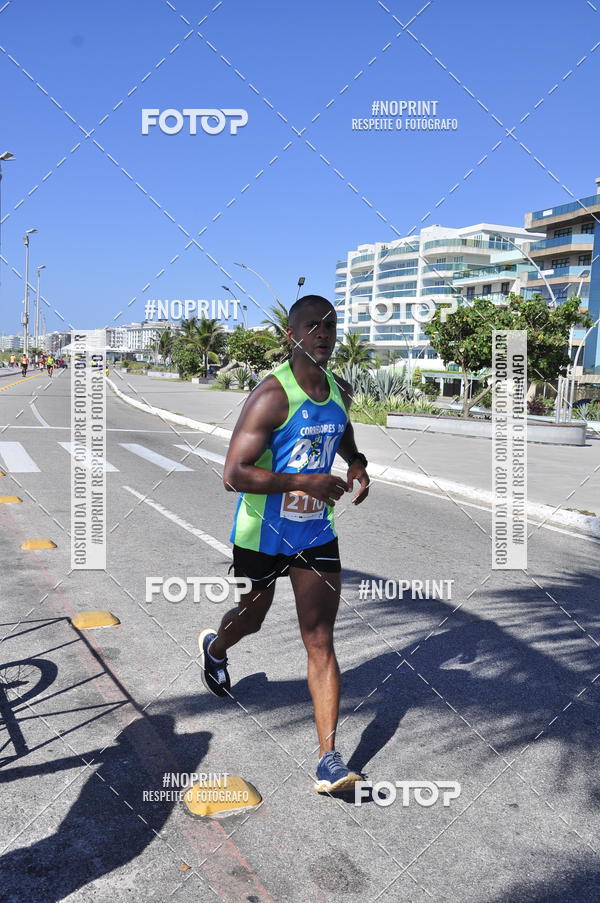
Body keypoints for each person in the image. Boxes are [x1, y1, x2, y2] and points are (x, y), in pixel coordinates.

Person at [199, 295, 370, 793]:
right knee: (251, 618)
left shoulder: (339, 390)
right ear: (292, 335)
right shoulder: (272, 395)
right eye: (313, 326)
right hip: (261, 533)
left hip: (315, 533)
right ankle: (216, 646)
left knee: (319, 638)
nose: (324, 334)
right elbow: (233, 474)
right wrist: (303, 482)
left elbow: (340, 430)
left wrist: (356, 462)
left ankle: (329, 760)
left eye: (330, 326)